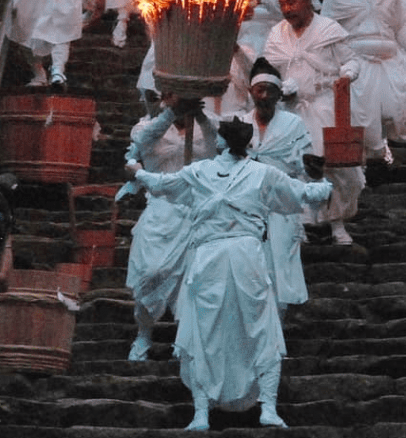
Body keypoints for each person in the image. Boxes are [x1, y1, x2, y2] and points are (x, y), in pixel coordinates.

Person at [126, 116, 332, 430]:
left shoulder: (201, 172)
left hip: (213, 257)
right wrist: (324, 181)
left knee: (203, 331)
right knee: (260, 330)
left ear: (221, 141)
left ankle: (202, 413)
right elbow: (307, 195)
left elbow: (160, 184)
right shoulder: (262, 173)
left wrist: (135, 170)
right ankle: (265, 407)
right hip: (244, 257)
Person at [263, 0, 362, 245]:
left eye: (292, 2)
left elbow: (351, 61)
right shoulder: (276, 34)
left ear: (307, 0)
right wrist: (282, 88)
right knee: (293, 166)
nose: (287, 9)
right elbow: (270, 71)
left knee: (330, 164)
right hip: (291, 109)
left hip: (323, 104)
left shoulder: (329, 29)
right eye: (283, 3)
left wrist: (348, 74)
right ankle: (300, 223)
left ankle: (336, 223)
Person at [121, 97, 217, 362]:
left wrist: (199, 116)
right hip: (161, 207)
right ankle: (143, 332)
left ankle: (184, 339)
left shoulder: (204, 127)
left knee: (194, 278)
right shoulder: (146, 128)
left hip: (196, 208)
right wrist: (171, 114)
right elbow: (142, 146)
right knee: (150, 270)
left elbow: (217, 147)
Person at [320, 0, 406, 163]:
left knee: (394, 112)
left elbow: (399, 26)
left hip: (388, 61)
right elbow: (326, 29)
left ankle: (382, 146)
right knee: (361, 117)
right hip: (355, 63)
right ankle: (367, 160)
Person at [235, 57, 316, 315]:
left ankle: (277, 330)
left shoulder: (294, 125)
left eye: (271, 91)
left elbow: (304, 165)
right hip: (246, 207)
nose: (265, 96)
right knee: (250, 268)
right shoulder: (239, 124)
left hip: (281, 207)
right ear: (251, 92)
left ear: (279, 94)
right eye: (260, 90)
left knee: (280, 266)